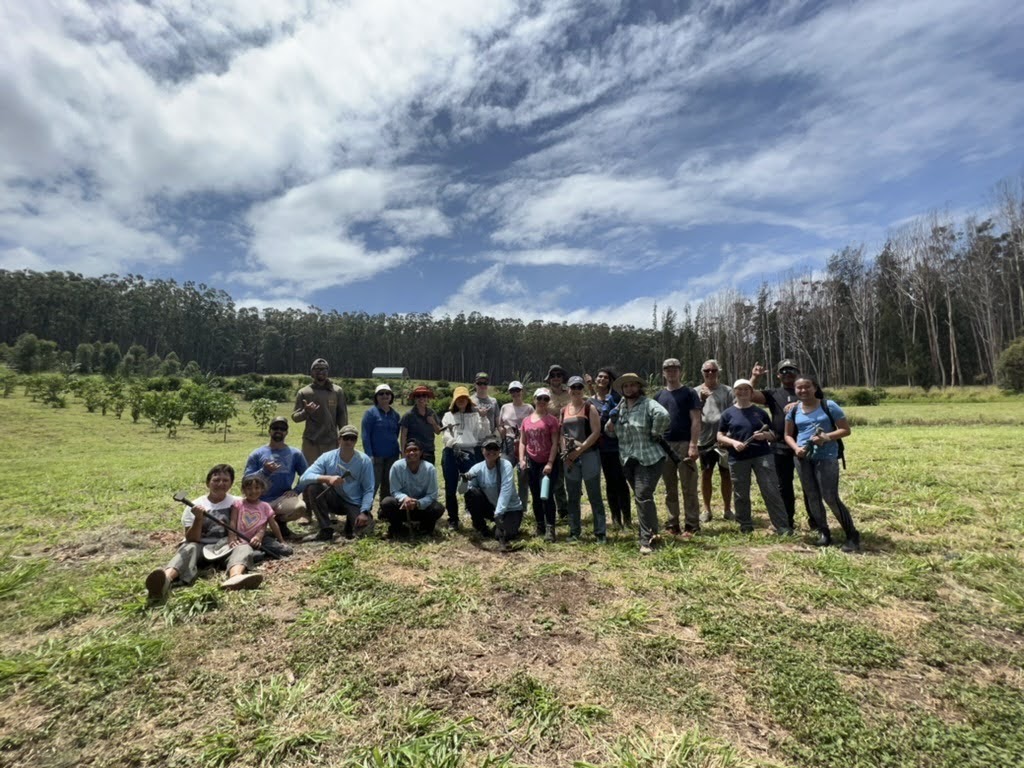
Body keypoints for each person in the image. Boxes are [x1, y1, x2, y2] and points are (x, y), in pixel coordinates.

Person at [145, 464, 262, 600]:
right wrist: (198, 519)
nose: (220, 484)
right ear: (208, 483)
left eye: (225, 480)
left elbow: (258, 518)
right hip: (200, 548)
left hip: (227, 547)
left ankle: (235, 577)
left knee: (243, 547)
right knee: (188, 548)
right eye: (216, 480)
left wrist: (258, 536)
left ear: (231, 484)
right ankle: (165, 580)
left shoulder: (239, 502)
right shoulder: (194, 506)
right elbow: (192, 538)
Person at [785, 376, 861, 553]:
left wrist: (826, 437)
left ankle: (852, 535)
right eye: (799, 388)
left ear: (815, 388)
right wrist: (796, 449)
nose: (803, 391)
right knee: (812, 496)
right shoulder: (794, 410)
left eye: (807, 387)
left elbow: (845, 430)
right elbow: (788, 434)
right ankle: (824, 532)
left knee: (830, 496)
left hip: (826, 457)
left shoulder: (829, 405)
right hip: (802, 457)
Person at [605, 373, 670, 555]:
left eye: (633, 386)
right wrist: (611, 421)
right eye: (626, 387)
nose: (629, 389)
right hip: (628, 459)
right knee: (643, 498)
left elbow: (663, 415)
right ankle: (654, 532)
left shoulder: (648, 403)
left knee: (642, 495)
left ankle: (645, 541)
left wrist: (655, 432)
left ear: (638, 387)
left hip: (649, 459)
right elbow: (610, 432)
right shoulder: (621, 406)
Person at [717, 379, 791, 535]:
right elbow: (720, 436)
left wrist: (764, 435)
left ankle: (782, 526)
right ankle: (745, 524)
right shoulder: (727, 414)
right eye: (739, 389)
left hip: (762, 455)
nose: (742, 392)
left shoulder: (760, 413)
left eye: (746, 389)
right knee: (740, 492)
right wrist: (733, 442)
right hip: (737, 458)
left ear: (751, 392)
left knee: (771, 490)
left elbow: (773, 435)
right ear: (734, 392)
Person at [750, 359, 813, 530]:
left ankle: (815, 522)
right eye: (783, 371)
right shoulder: (772, 394)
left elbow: (821, 403)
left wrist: (799, 403)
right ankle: (787, 522)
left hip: (805, 445)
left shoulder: (807, 391)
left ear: (798, 373)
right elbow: (747, 394)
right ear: (778, 375)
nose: (787, 374)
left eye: (791, 370)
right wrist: (755, 377)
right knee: (783, 486)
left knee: (809, 485)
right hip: (779, 446)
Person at [296, 425, 375, 542]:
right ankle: (325, 529)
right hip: (334, 499)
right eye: (345, 438)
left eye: (352, 438)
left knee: (366, 533)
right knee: (313, 487)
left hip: (354, 502)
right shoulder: (327, 457)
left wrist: (364, 512)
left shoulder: (364, 461)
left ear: (356, 441)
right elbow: (304, 477)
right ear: (339, 440)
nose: (349, 441)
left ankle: (350, 526)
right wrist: (328, 478)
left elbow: (369, 489)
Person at [654, 358, 702, 537]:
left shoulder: (689, 393)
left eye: (674, 369)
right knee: (669, 488)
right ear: (663, 372)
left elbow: (696, 420)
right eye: (668, 369)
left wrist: (693, 444)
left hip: (684, 444)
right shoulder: (658, 396)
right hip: (664, 446)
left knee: (689, 487)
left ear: (680, 371)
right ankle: (672, 523)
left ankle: (692, 525)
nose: (671, 372)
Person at [243, 416, 309, 539]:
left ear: (287, 432)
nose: (279, 430)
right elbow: (246, 479)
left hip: (282, 499)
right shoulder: (257, 453)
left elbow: (306, 475)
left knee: (300, 508)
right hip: (258, 499)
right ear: (269, 431)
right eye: (275, 428)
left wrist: (296, 490)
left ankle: (279, 521)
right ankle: (264, 522)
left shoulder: (295, 453)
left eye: (282, 428)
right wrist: (265, 471)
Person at [560, 375, 607, 542]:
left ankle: (600, 532)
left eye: (579, 387)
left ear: (583, 389)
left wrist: (580, 449)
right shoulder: (563, 410)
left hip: (589, 456)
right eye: (573, 387)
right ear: (568, 389)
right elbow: (561, 435)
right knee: (572, 496)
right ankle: (574, 531)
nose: (576, 390)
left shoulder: (590, 408)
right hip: (570, 459)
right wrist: (565, 453)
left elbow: (596, 432)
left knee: (594, 494)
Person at [458, 436, 525, 550]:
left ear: (500, 451)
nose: (491, 452)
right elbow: (461, 491)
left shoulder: (506, 466)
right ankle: (480, 526)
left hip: (511, 509)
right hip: (492, 507)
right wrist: (464, 480)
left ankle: (501, 527)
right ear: (482, 450)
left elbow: (505, 490)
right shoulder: (477, 468)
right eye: (488, 448)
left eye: (495, 449)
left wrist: (499, 513)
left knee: (503, 535)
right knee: (472, 493)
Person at [440, 386, 489, 530]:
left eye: (464, 398)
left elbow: (482, 434)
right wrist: (453, 444)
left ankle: (474, 516)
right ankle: (453, 519)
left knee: (470, 485)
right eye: (458, 399)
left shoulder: (474, 416)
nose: (461, 401)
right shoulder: (448, 416)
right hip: (450, 452)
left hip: (469, 452)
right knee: (450, 486)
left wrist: (483, 417)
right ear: (454, 401)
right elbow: (446, 434)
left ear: (468, 401)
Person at [590, 367, 632, 529]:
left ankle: (627, 519)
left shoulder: (618, 399)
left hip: (618, 447)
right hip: (602, 449)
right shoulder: (590, 402)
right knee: (609, 482)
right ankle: (615, 518)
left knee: (621, 482)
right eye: (599, 376)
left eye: (606, 377)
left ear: (610, 381)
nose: (602, 379)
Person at [519, 387, 561, 542]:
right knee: (536, 496)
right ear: (534, 399)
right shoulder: (526, 421)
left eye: (546, 399)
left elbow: (555, 444)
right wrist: (522, 459)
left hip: (548, 463)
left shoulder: (552, 421)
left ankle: (551, 528)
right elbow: (523, 442)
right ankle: (540, 525)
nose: (542, 402)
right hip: (532, 463)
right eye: (540, 398)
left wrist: (550, 463)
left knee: (548, 496)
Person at [379, 440, 445, 538]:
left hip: (421, 508)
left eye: (415, 450)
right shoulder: (397, 467)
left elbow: (432, 495)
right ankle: (398, 528)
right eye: (408, 450)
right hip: (402, 507)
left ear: (421, 452)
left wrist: (418, 503)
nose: (411, 453)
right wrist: (405, 499)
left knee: (438, 508)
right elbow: (394, 491)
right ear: (404, 453)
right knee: (386, 503)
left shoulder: (429, 469)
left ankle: (424, 529)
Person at [696, 359, 734, 523]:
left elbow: (734, 412)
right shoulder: (695, 391)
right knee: (706, 473)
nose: (710, 373)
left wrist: (729, 436)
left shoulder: (727, 391)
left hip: (724, 439)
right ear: (702, 372)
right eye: (707, 371)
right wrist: (701, 399)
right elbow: (693, 415)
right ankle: (706, 510)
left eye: (713, 370)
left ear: (719, 371)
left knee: (726, 474)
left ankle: (727, 509)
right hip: (704, 439)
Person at [292, 358, 348, 464]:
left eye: (324, 369)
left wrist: (344, 437)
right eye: (317, 369)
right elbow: (295, 417)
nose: (320, 372)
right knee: (310, 474)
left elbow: (342, 416)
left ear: (328, 372)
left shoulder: (337, 391)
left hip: (331, 441)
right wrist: (306, 412)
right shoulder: (304, 392)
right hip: (311, 442)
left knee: (331, 473)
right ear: (312, 372)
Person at [231, 474, 292, 558]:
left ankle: (260, 550)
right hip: (242, 540)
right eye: (249, 489)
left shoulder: (265, 506)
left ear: (262, 489)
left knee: (287, 551)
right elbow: (233, 521)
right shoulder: (238, 504)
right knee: (254, 555)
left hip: (261, 538)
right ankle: (257, 553)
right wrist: (233, 536)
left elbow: (273, 524)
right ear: (243, 490)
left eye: (257, 488)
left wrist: (281, 540)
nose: (253, 491)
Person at [361, 384, 401, 501]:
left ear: (391, 396)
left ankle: (384, 510)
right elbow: (365, 435)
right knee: (373, 484)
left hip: (392, 455)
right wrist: (369, 455)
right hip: (376, 456)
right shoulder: (370, 414)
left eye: (387, 393)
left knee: (388, 484)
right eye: (381, 393)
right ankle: (366, 510)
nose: (384, 396)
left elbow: (396, 433)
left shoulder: (395, 415)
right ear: (376, 397)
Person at [498, 381, 533, 507]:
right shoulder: (505, 407)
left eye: (517, 390)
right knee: (504, 474)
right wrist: (502, 433)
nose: (515, 393)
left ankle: (522, 506)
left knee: (523, 475)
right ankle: (506, 503)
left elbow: (533, 424)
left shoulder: (529, 408)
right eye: (512, 391)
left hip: (524, 443)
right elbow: (500, 425)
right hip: (508, 443)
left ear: (522, 391)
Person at [542, 364, 571, 520]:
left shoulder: (570, 393)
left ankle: (574, 506)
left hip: (571, 438)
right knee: (558, 476)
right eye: (553, 375)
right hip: (551, 440)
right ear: (549, 378)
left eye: (559, 375)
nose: (556, 378)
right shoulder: (544, 395)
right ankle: (563, 509)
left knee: (573, 475)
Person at [399, 385, 441, 465]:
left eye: (424, 395)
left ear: (427, 398)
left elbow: (438, 432)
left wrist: (433, 423)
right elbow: (403, 436)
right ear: (415, 399)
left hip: (429, 451)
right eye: (418, 396)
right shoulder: (408, 415)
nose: (421, 398)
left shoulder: (432, 413)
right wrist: (403, 453)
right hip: (413, 452)